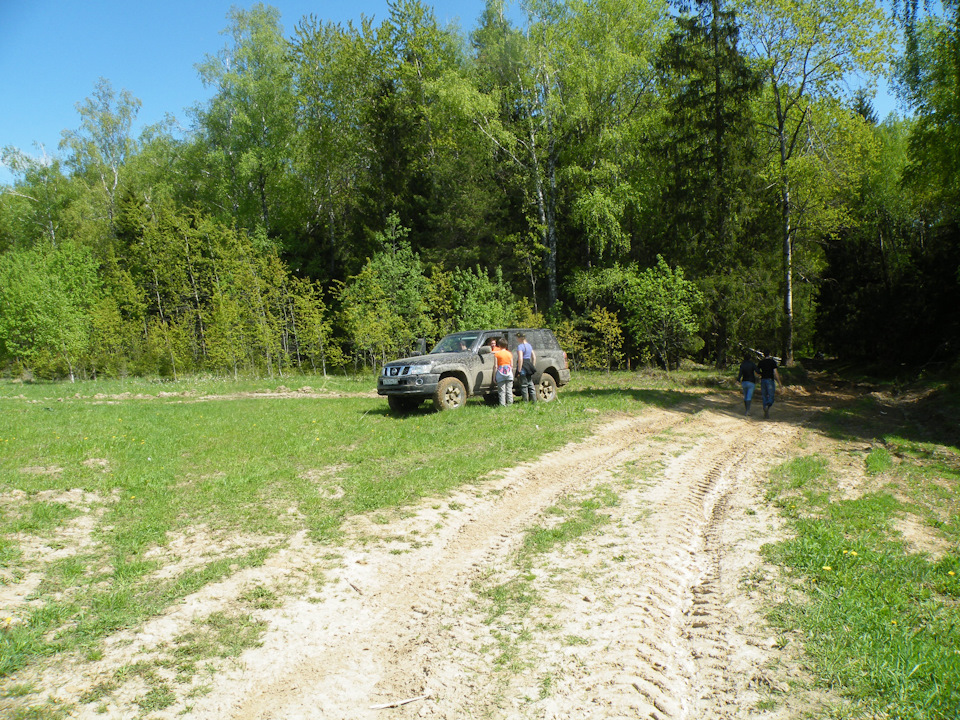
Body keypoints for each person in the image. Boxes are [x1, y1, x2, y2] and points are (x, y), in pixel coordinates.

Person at [757, 350, 782, 419]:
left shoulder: (761, 362)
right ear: (769, 354)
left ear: (764, 355)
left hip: (763, 380)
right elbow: (775, 373)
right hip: (770, 380)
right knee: (771, 395)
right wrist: (779, 382)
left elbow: (757, 372)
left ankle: (765, 407)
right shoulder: (772, 362)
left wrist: (760, 376)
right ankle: (768, 404)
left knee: (764, 395)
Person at [491, 337, 514, 406]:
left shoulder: (497, 354)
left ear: (499, 345)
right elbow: (512, 365)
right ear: (506, 345)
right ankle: (510, 404)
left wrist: (494, 377)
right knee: (509, 390)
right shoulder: (510, 354)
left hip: (500, 373)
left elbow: (495, 366)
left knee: (501, 391)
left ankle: (502, 404)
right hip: (509, 372)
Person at [515, 331, 537, 403]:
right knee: (530, 384)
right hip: (529, 365)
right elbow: (534, 357)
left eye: (517, 338)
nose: (516, 339)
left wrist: (519, 369)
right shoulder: (529, 345)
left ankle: (525, 401)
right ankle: (534, 400)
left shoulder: (520, 346)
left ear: (520, 338)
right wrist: (532, 366)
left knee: (524, 385)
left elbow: (520, 358)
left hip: (523, 366)